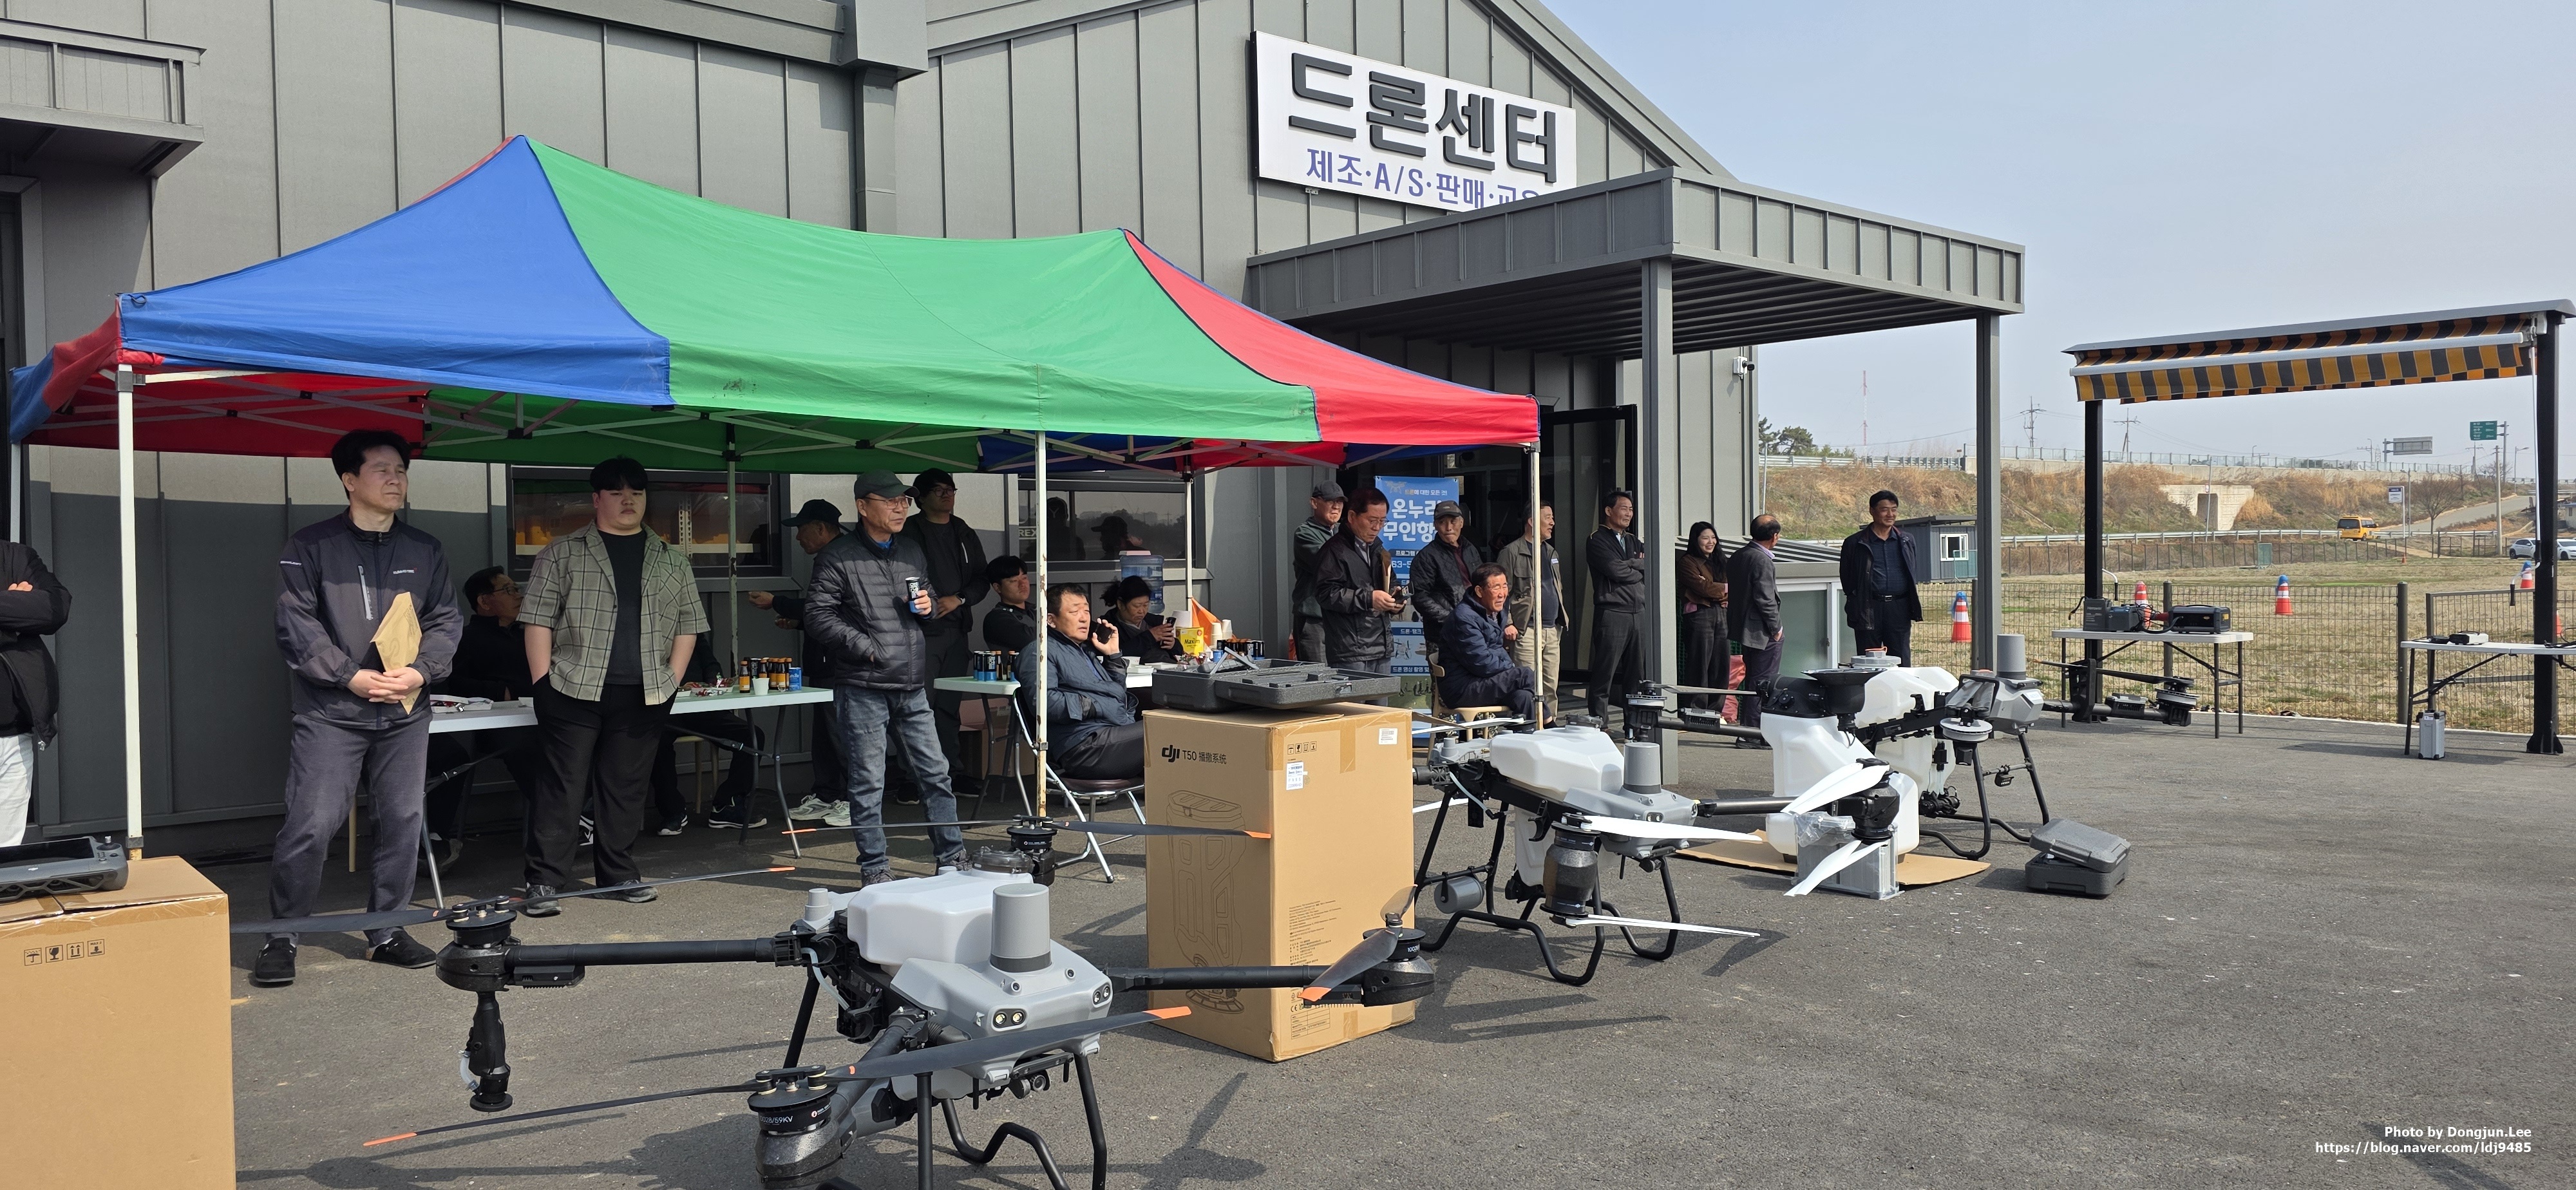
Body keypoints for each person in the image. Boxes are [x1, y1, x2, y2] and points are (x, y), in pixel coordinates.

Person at [257, 429, 461, 987]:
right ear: (349, 480)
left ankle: (387, 931)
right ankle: (282, 934)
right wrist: (349, 676)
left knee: (402, 820)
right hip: (331, 712)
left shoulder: (425, 548)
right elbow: (295, 624)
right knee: (312, 822)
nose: (396, 479)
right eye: (382, 470)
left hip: (404, 710)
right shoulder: (310, 546)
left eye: (401, 470)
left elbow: (445, 618)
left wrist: (422, 671)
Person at [516, 457, 708, 915]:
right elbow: (538, 619)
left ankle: (618, 875)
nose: (629, 501)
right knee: (562, 786)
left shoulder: (672, 559)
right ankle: (544, 881)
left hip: (646, 690)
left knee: (625, 788)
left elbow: (689, 624)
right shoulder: (562, 552)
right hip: (571, 687)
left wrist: (672, 679)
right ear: (597, 498)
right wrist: (542, 682)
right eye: (618, 492)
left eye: (637, 493)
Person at [802, 471, 967, 885]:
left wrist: (927, 606)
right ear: (862, 506)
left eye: (904, 501)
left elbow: (926, 598)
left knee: (936, 774)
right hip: (863, 685)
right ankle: (875, 867)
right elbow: (817, 616)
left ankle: (953, 857)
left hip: (911, 683)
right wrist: (866, 647)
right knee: (868, 781)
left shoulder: (911, 549)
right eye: (890, 501)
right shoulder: (837, 556)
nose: (900, 508)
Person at [422, 567, 547, 867]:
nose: (519, 595)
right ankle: (556, 822)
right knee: (524, 744)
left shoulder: (530, 634)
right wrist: (500, 691)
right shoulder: (466, 639)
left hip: (542, 716)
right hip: (495, 726)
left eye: (517, 589)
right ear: (484, 601)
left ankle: (582, 817)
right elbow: (453, 684)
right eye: (509, 590)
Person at [755, 499, 849, 826]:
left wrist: (776, 602)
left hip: (839, 661)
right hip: (824, 660)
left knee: (841, 732)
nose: (797, 538)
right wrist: (799, 623)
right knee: (824, 734)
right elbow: (826, 613)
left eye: (801, 530)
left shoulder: (839, 557)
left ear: (820, 529)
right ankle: (827, 794)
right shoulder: (834, 554)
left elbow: (828, 609)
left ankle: (854, 799)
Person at [898, 468, 990, 797]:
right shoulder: (909, 531)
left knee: (949, 707)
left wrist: (960, 599)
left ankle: (952, 772)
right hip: (920, 633)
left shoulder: (962, 530)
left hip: (957, 629)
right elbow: (900, 577)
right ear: (920, 498)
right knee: (917, 707)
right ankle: (912, 778)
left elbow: (982, 577)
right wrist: (929, 603)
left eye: (951, 489)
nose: (948, 494)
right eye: (939, 490)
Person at [1018, 585, 1142, 781]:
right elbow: (1043, 703)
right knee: (1167, 729)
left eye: (1087, 611)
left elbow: (1117, 694)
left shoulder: (1085, 650)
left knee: (1174, 733)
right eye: (1075, 612)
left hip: (1110, 733)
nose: (1084, 618)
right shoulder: (1039, 652)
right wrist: (1093, 706)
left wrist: (1113, 656)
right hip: (1082, 746)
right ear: (1051, 620)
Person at [642, 647, 765, 833]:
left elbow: (710, 664)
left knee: (753, 736)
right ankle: (672, 811)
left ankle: (726, 806)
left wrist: (713, 682)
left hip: (701, 705)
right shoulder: (647, 636)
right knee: (655, 740)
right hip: (664, 709)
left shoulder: (693, 635)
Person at [0, 538, 66, 849]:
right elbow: (31, 611)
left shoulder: (15, 556)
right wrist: (14, 608)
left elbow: (55, 608)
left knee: (6, 851)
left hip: (15, 739)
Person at [1314, 486, 1399, 681]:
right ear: (1352, 516)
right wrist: (1369, 598)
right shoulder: (1333, 551)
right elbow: (1326, 594)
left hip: (1381, 645)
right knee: (1355, 701)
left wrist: (1395, 600)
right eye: (1372, 520)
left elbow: (1391, 581)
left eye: (1382, 521)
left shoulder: (1378, 548)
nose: (1377, 527)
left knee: (1382, 702)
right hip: (1350, 649)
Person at [1438, 564, 1534, 721]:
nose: (1502, 594)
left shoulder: (1497, 610)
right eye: (1496, 588)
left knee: (1523, 696)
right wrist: (1510, 668)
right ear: (1479, 591)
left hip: (1485, 682)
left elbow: (1496, 649)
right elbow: (1481, 663)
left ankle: (1529, 734)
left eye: (1505, 586)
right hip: (1463, 688)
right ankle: (1550, 724)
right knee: (1524, 675)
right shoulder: (1464, 618)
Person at [1838, 489, 1922, 665]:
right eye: (1884, 510)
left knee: (1901, 661)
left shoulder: (1906, 540)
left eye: (1894, 509)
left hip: (1899, 608)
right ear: (1872, 511)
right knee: (1869, 662)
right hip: (1868, 608)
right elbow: (1847, 579)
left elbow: (1912, 570)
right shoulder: (1855, 543)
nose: (1890, 514)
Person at [1586, 489, 1647, 725]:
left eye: (1631, 509)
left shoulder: (1632, 540)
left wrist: (1631, 565)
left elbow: (1649, 565)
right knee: (1605, 673)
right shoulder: (1597, 539)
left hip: (1638, 613)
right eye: (1624, 509)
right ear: (1608, 511)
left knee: (1636, 675)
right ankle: (1599, 726)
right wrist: (1635, 566)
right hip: (1612, 613)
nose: (1629, 514)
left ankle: (1634, 726)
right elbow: (1615, 570)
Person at [1501, 505, 1567, 724]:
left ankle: (1550, 730)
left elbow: (1556, 588)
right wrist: (1508, 623)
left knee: (1550, 686)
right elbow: (1501, 592)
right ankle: (1526, 729)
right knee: (1526, 685)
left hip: (1552, 629)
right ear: (1531, 521)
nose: (1552, 522)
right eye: (1548, 517)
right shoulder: (1511, 552)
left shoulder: (1551, 552)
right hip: (1526, 630)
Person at [1727, 513, 1785, 744]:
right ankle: (1752, 734)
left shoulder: (1739, 555)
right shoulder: (1762, 560)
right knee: (1762, 683)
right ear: (1774, 536)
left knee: (1753, 680)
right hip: (1762, 632)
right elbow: (1765, 599)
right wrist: (1776, 628)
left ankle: (1749, 731)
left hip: (1745, 629)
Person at [1410, 500, 1479, 673]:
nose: (1448, 528)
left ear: (1462, 523)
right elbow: (1420, 596)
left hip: (1474, 629)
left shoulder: (1471, 549)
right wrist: (1452, 619)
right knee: (1445, 684)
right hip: (1442, 635)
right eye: (1442, 522)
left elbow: (1481, 584)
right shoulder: (1426, 557)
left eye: (1453, 521)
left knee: (1474, 682)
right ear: (1435, 525)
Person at [1676, 522, 1730, 716]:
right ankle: (1696, 711)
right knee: (1699, 664)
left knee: (1721, 664)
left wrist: (1717, 589)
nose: (1711, 542)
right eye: (1705, 538)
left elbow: (1729, 587)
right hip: (1699, 615)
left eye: (1713, 537)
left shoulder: (1721, 560)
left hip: (1722, 614)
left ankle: (1716, 712)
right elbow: (1703, 588)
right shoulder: (1687, 562)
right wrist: (1722, 589)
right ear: (1696, 540)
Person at [1290, 480, 1344, 664]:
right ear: (1314, 503)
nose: (1336, 506)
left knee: (1342, 675)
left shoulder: (1343, 533)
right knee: (1317, 675)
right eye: (1330, 501)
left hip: (1339, 619)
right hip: (1314, 619)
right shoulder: (1305, 533)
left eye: (1340, 501)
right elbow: (1332, 566)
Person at [1101, 575, 1177, 664]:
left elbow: (1179, 652)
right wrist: (1150, 637)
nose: (1142, 611)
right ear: (1120, 604)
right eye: (1137, 606)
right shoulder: (1107, 626)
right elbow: (1117, 654)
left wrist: (1173, 644)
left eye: (1146, 605)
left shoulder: (1153, 622)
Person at [981, 555, 1037, 652]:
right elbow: (1032, 640)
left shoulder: (1036, 610)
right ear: (997, 587)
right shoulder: (996, 618)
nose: (1022, 584)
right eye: (1014, 581)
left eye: (1024, 578)